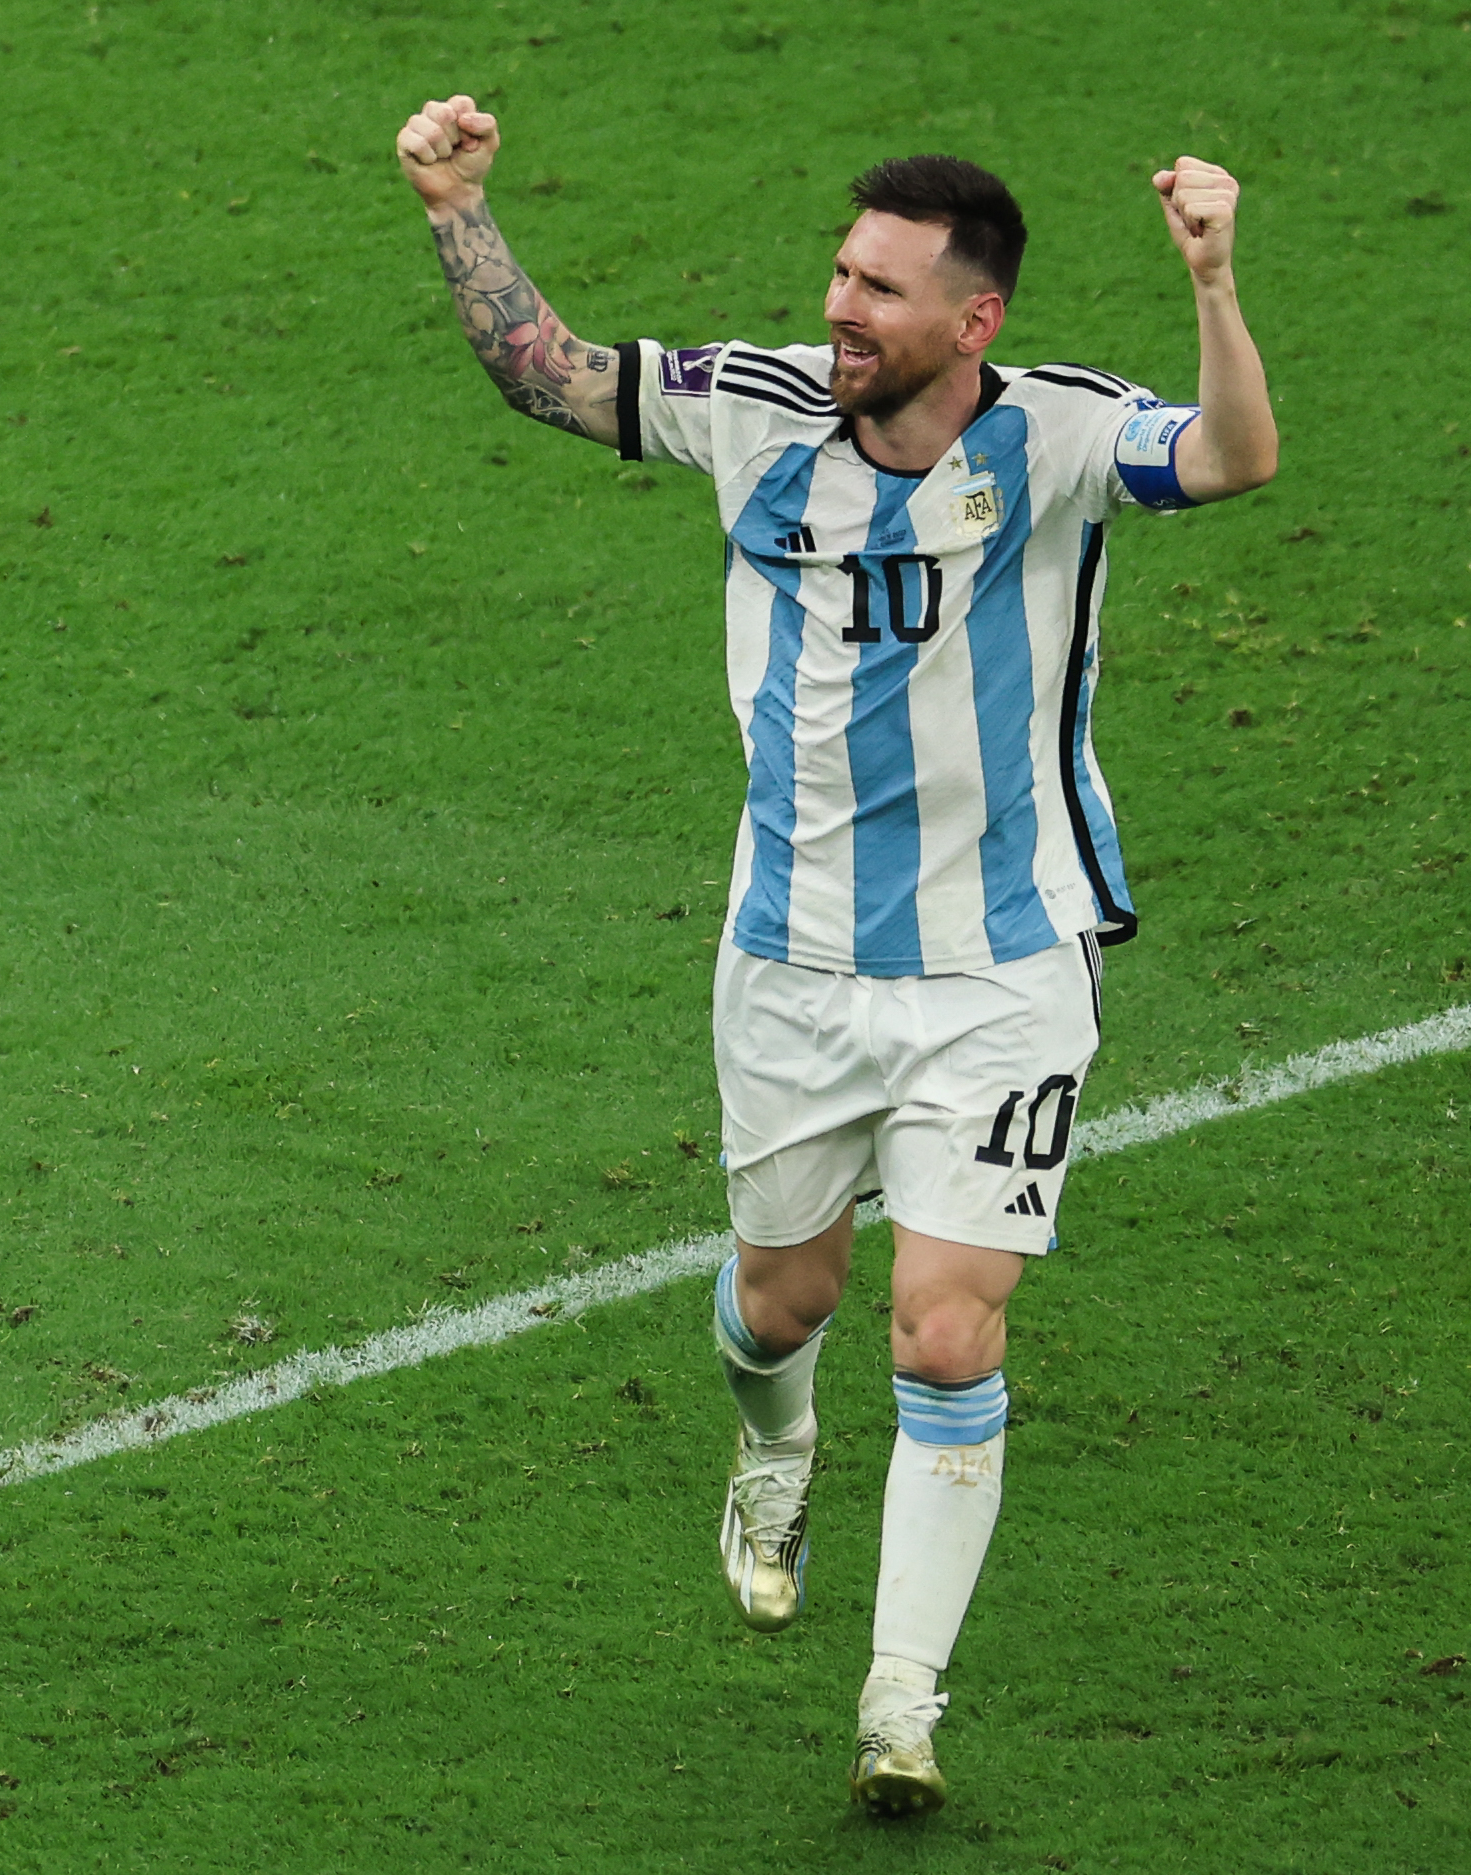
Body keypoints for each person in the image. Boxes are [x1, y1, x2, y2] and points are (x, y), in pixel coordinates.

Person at [395, 94, 1277, 1815]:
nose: (843, 311)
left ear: (976, 321)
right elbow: (546, 371)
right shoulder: (758, 411)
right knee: (782, 1297)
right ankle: (773, 1445)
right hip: (792, 965)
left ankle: (899, 1705)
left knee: (948, 1336)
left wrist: (1216, 281)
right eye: (841, 275)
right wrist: (455, 205)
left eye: (881, 290)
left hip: (1004, 969)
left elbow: (1236, 458)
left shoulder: (1058, 437)